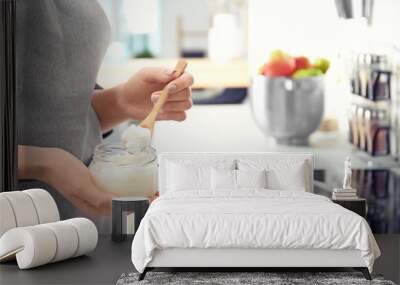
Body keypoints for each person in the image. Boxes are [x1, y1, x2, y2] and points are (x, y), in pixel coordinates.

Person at [16, 0, 193, 230]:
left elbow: (59, 109)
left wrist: (120, 101)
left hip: (85, 232)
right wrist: (44, 164)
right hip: (16, 231)